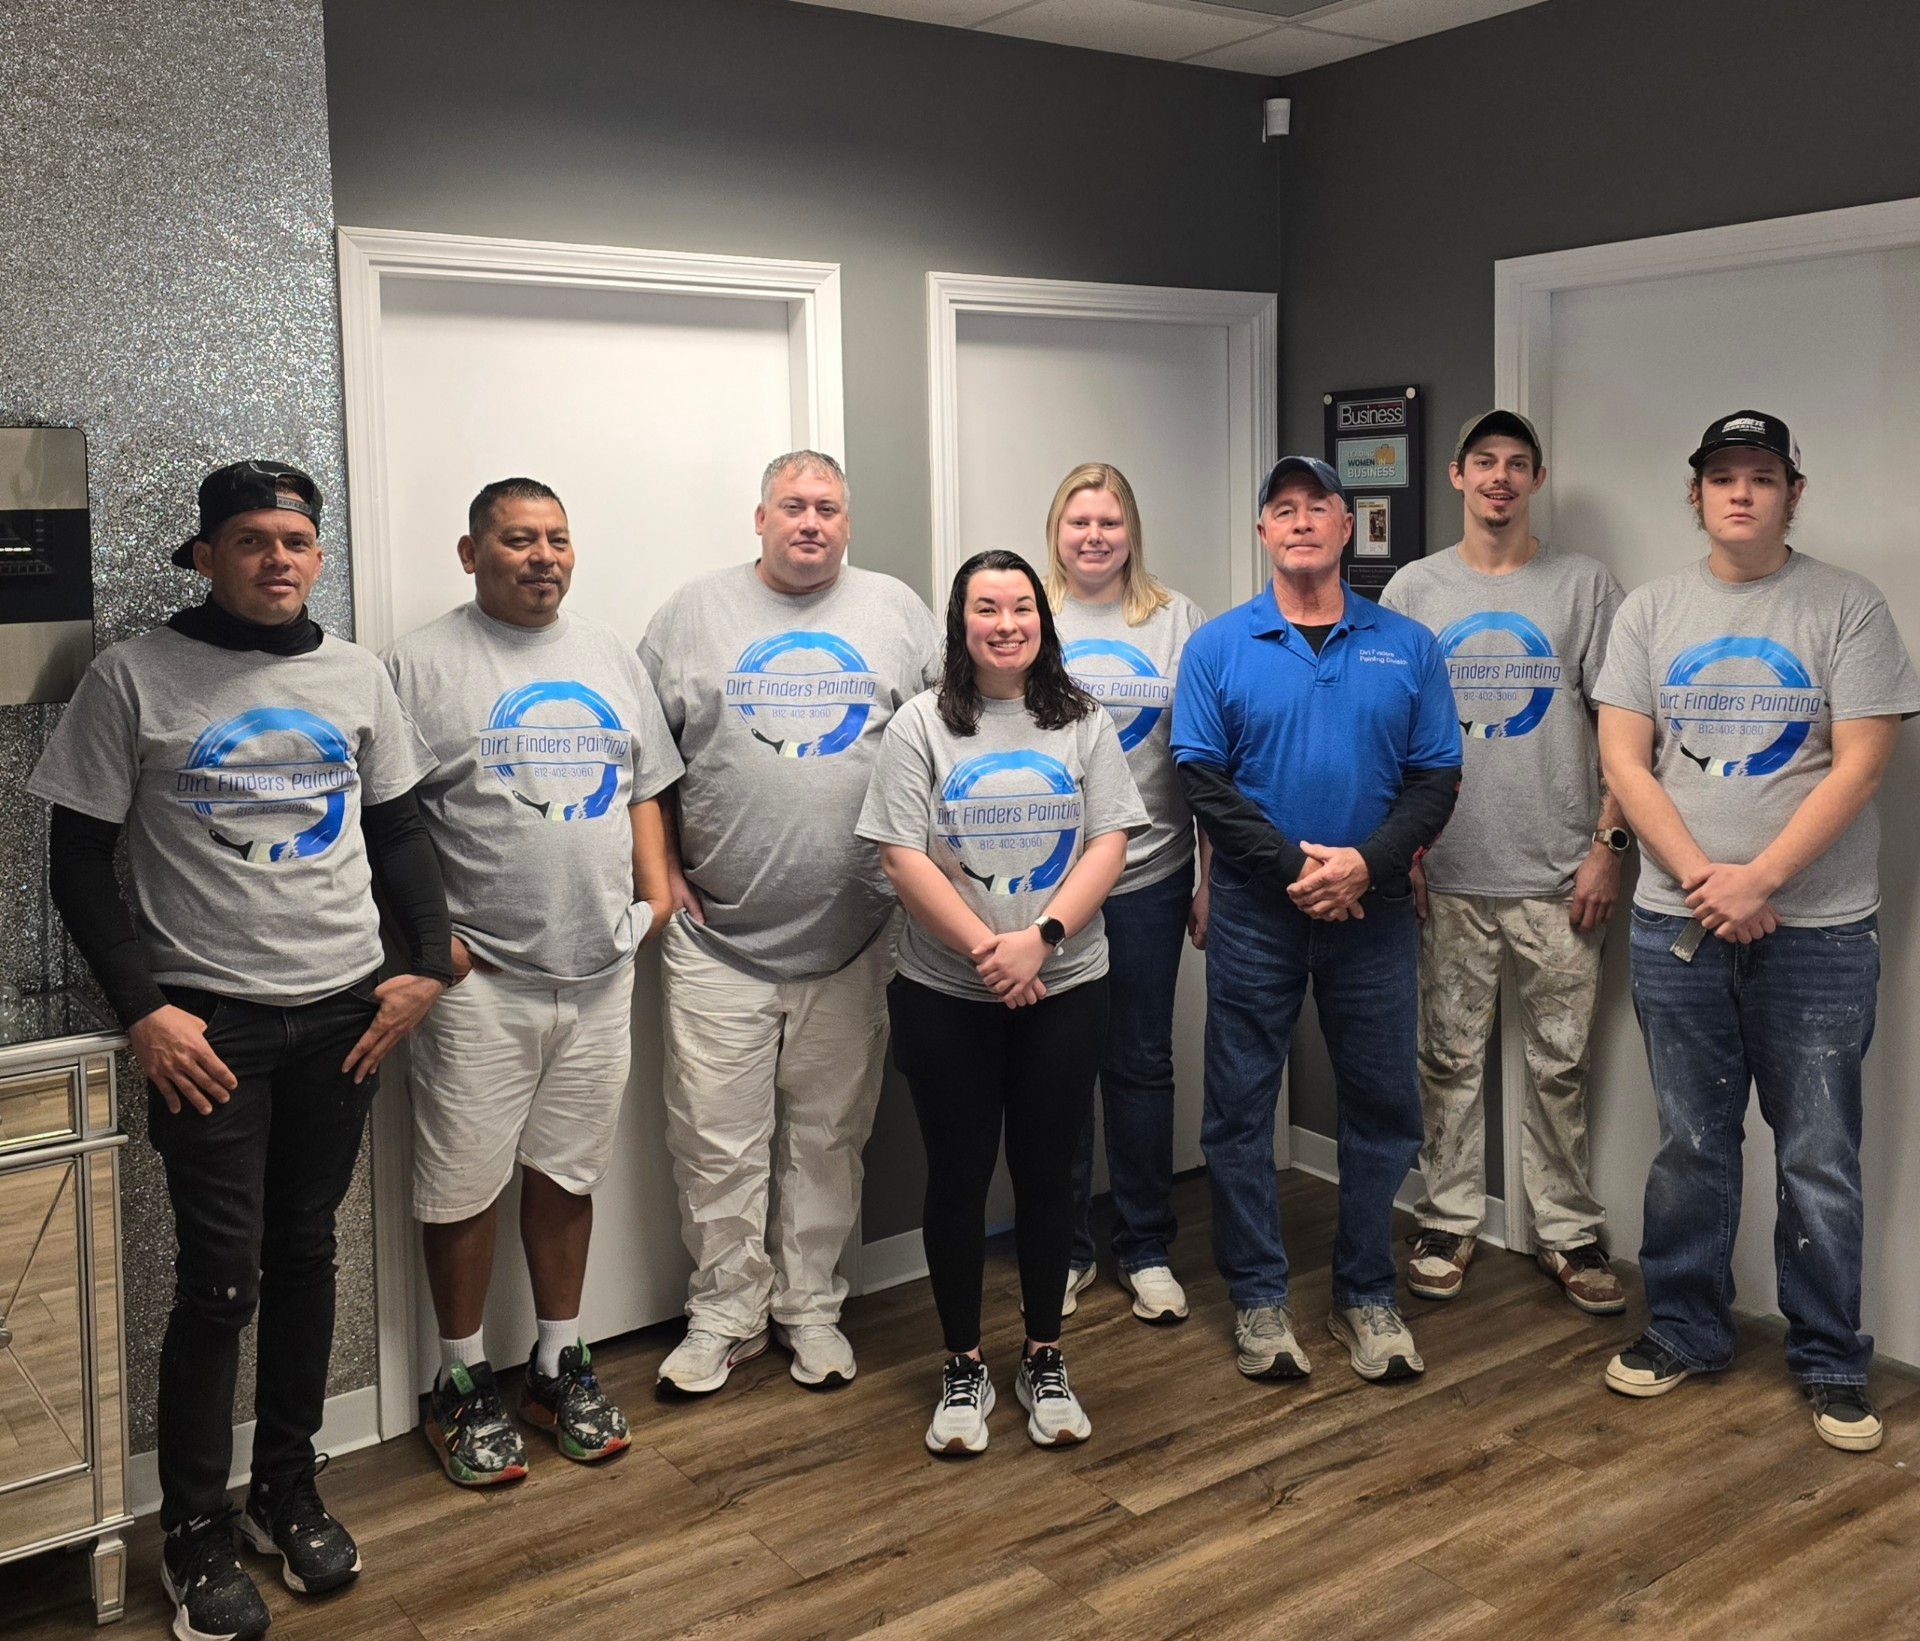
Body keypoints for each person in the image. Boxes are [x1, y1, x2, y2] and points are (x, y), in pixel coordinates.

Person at [29, 461, 451, 1641]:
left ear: (320, 557)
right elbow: (75, 861)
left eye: (299, 541)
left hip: (344, 1016)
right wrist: (143, 1012)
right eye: (254, 540)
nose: (279, 559)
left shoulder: (355, 673)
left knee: (308, 1251)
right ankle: (195, 1530)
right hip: (206, 1028)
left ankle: (287, 1488)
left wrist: (425, 962)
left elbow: (400, 829)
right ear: (204, 557)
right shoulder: (136, 676)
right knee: (221, 1282)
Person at [1594, 411, 1919, 1452]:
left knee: (1819, 1150)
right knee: (1692, 1142)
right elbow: (1626, 762)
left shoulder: (1848, 609)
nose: (1742, 493)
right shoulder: (1650, 611)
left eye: (1762, 477)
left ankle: (1829, 1358)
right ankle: (1687, 1329)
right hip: (1675, 926)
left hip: (1817, 933)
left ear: (1793, 492)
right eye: (1723, 477)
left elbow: (1861, 763)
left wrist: (1764, 878)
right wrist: (1703, 881)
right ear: (1695, 496)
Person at [385, 478, 681, 1487]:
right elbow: (388, 819)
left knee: (568, 1174)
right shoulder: (420, 665)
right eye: (518, 540)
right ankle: (460, 1381)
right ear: (472, 554)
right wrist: (430, 941)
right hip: (482, 983)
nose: (543, 556)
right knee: (462, 1186)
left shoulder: (606, 656)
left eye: (558, 538)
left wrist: (657, 897)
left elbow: (644, 783)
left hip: (597, 972)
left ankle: (560, 1360)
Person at [640, 451, 942, 1394]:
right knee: (714, 1137)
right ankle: (725, 1314)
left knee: (827, 1136)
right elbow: (645, 764)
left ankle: (809, 1306)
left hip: (854, 939)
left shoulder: (898, 612)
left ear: (847, 522)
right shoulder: (691, 614)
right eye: (792, 507)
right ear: (760, 517)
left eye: (828, 508)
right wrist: (661, 878)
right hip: (717, 939)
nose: (810, 522)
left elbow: (945, 743)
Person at [1171, 455, 1461, 1385]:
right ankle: (1259, 1295)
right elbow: (1202, 782)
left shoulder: (1407, 644)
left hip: (1372, 915)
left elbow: (1436, 778)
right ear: (1263, 532)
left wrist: (1367, 867)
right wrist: (1300, 867)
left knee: (1384, 1106)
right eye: (1282, 509)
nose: (1300, 522)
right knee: (1240, 1109)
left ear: (1347, 529)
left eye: (1319, 508)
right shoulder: (1219, 646)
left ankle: (1365, 1291)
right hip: (1261, 912)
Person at [857, 549, 1146, 1453]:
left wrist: (1041, 941)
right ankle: (963, 1364)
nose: (1007, 622)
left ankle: (1044, 1354)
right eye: (988, 608)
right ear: (962, 622)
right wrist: (990, 950)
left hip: (1065, 983)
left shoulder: (1085, 720)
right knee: (958, 1174)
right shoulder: (919, 726)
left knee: (1051, 1170)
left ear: (1042, 620)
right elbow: (900, 856)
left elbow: (1109, 840)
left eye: (1022, 606)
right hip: (948, 990)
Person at [1381, 410, 1629, 1314]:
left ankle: (1565, 1229)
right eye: (1484, 461)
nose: (1499, 477)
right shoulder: (1413, 590)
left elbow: (1623, 728)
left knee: (1561, 1064)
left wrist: (1608, 846)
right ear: (1455, 475)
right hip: (1446, 872)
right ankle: (1447, 1216)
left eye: (1516, 463)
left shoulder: (1585, 586)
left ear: (1537, 477)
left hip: (1563, 876)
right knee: (1445, 1057)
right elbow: (1392, 731)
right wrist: (1401, 844)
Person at [1046, 463, 1207, 1325]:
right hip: (1051, 882)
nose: (1095, 536)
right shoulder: (1028, 613)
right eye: (1080, 521)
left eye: (1110, 521)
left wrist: (1209, 875)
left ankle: (1144, 1246)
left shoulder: (1175, 620)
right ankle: (1066, 1247)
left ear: (1130, 530)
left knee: (1141, 1062)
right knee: (1060, 1066)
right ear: (1057, 529)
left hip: (1150, 872)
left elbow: (1208, 755)